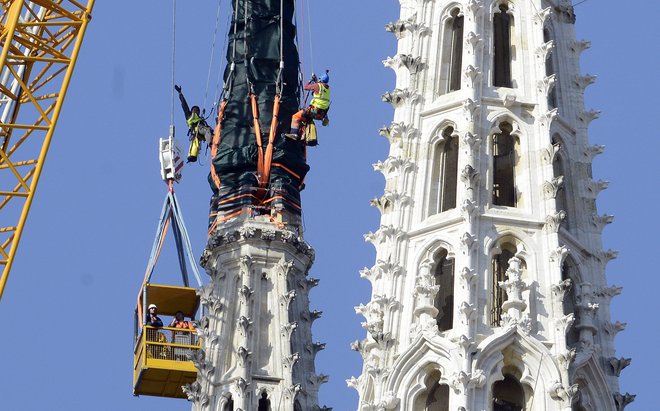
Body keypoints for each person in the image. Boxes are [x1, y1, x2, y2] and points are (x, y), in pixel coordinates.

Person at [286, 71, 331, 144]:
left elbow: (306, 87)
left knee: (296, 116)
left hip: (313, 111)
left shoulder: (317, 85)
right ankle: (304, 137)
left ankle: (294, 133)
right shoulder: (327, 90)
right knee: (306, 120)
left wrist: (311, 80)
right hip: (320, 114)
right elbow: (320, 93)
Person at [174, 85, 214, 162]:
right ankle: (211, 145)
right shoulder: (189, 116)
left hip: (200, 132)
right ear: (192, 110)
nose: (196, 111)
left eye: (197, 110)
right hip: (196, 130)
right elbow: (184, 105)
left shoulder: (201, 119)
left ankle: (213, 143)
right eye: (194, 109)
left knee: (209, 131)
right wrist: (180, 93)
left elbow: (207, 126)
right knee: (207, 131)